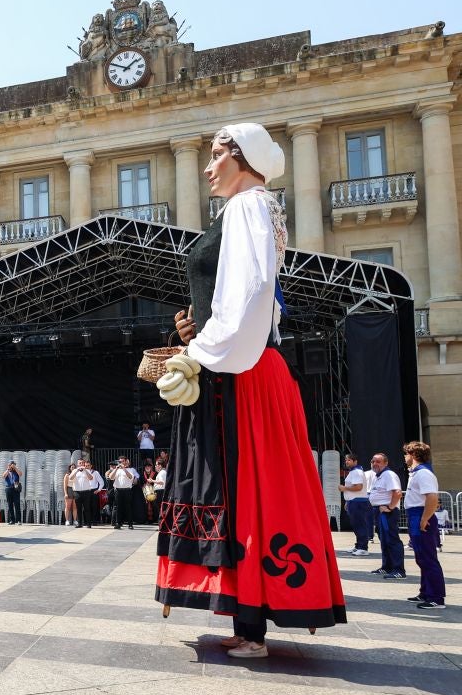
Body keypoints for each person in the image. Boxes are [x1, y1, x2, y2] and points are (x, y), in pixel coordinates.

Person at [155, 124, 346, 660]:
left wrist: (203, 350)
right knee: (243, 491)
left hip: (238, 373)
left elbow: (254, 291)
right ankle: (247, 617)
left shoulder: (246, 207)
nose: (208, 166)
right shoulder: (252, 208)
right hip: (239, 364)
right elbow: (253, 297)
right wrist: (202, 331)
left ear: (241, 159)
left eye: (217, 156)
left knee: (240, 488)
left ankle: (253, 625)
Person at [402, 441, 445, 609]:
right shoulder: (416, 473)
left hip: (420, 514)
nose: (405, 457)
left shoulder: (423, 474)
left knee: (428, 558)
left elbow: (432, 498)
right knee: (421, 557)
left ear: (413, 455)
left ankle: (436, 597)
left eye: (406, 454)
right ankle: (426, 592)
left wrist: (425, 518)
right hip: (416, 514)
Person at [367, 452, 404, 579]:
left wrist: (390, 507)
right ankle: (387, 567)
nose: (374, 464)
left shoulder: (389, 475)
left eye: (378, 461)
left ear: (386, 463)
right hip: (379, 511)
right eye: (373, 461)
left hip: (387, 512)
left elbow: (397, 493)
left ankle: (399, 570)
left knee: (392, 540)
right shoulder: (378, 476)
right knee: (384, 540)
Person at [339, 453, 371, 556]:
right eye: (346, 460)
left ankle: (363, 548)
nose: (347, 462)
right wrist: (348, 501)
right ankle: (358, 546)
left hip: (358, 502)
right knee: (356, 525)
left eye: (349, 460)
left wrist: (345, 488)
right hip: (354, 501)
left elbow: (358, 487)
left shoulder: (356, 472)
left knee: (360, 525)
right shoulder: (354, 471)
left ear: (355, 461)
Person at [106, 456, 136, 529]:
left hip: (127, 490)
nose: (121, 463)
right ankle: (118, 523)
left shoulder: (130, 469)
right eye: (119, 461)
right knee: (118, 507)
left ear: (126, 462)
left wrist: (124, 469)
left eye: (122, 461)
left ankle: (130, 524)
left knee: (128, 507)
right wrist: (116, 469)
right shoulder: (117, 470)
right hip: (118, 490)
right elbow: (111, 477)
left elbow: (130, 477)